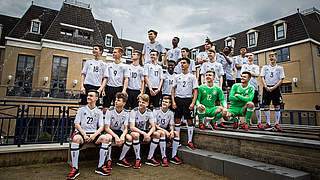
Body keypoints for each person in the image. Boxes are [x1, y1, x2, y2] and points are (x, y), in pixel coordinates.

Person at [67, 90, 111, 179]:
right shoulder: (81, 110)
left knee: (105, 138)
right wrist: (84, 135)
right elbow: (77, 124)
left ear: (96, 98)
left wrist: (94, 135)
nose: (88, 97)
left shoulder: (99, 111)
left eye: (91, 96)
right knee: (76, 139)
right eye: (88, 95)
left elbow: (101, 126)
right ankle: (75, 168)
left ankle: (100, 167)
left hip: (94, 134)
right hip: (82, 133)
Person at [171, 58, 198, 150]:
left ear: (188, 64)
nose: (182, 65)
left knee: (189, 120)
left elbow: (195, 91)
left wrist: (193, 102)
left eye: (184, 63)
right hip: (178, 99)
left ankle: (190, 141)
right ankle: (177, 140)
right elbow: (173, 89)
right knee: (177, 120)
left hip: (188, 100)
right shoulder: (177, 76)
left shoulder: (192, 77)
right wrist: (173, 101)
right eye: (181, 63)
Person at [129, 94, 157, 169]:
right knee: (136, 135)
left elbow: (153, 127)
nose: (140, 104)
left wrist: (148, 134)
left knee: (156, 134)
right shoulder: (134, 111)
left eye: (143, 102)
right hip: (134, 131)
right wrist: (144, 133)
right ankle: (138, 158)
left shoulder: (149, 112)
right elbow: (132, 127)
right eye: (140, 102)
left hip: (143, 131)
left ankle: (150, 158)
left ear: (147, 104)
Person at [153, 96, 183, 166]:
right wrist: (165, 131)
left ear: (169, 104)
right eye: (163, 101)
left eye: (166, 102)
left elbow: (171, 124)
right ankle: (164, 157)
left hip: (165, 129)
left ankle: (173, 156)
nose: (164, 103)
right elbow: (154, 125)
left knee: (176, 133)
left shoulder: (171, 113)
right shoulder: (156, 111)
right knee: (162, 133)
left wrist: (172, 131)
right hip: (156, 130)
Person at [104, 92, 131, 170]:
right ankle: (108, 159)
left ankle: (121, 159)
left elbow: (126, 128)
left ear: (124, 103)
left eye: (118, 100)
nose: (116, 102)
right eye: (116, 100)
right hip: (110, 131)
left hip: (119, 131)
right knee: (108, 137)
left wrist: (122, 136)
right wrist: (115, 136)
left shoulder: (126, 113)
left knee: (129, 138)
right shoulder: (110, 110)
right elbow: (106, 128)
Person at [260, 52, 285, 131]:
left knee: (277, 105)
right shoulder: (265, 67)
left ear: (276, 57)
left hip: (275, 88)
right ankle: (268, 123)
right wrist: (266, 86)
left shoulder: (280, 68)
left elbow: (281, 79)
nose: (271, 57)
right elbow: (262, 77)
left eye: (272, 56)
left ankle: (276, 124)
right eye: (270, 56)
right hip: (266, 88)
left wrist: (274, 87)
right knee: (266, 105)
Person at [103, 47, 129, 111]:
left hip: (118, 88)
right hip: (109, 88)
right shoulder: (108, 65)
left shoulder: (124, 66)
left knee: (118, 108)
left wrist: (124, 90)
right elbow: (105, 78)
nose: (113, 54)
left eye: (115, 52)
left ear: (120, 54)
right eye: (113, 52)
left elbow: (126, 79)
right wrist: (103, 89)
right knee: (105, 108)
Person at [240, 53, 261, 129]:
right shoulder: (244, 66)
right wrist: (251, 73)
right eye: (248, 56)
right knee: (246, 104)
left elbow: (257, 74)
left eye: (251, 55)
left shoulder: (256, 66)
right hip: (245, 88)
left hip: (254, 87)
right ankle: (246, 122)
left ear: (254, 57)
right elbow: (242, 74)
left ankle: (259, 122)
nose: (249, 57)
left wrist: (248, 73)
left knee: (256, 104)